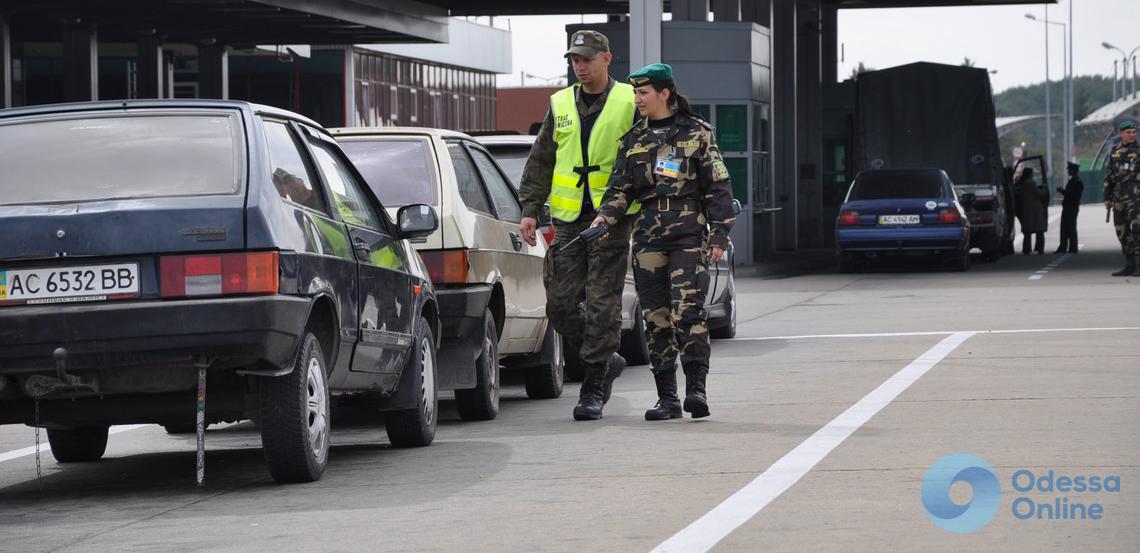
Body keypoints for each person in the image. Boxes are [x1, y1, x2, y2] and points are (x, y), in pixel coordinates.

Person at [592, 63, 736, 421]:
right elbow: (619, 189)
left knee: (688, 312)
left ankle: (697, 390)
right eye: (636, 93)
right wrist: (604, 217)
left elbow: (718, 186)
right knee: (655, 318)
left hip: (688, 235)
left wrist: (719, 233)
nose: (637, 99)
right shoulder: (634, 140)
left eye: (643, 93)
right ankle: (667, 398)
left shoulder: (698, 133)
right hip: (648, 238)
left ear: (664, 94)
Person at [517, 30, 637, 421]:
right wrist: (531, 209)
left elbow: (644, 157)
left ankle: (593, 384)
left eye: (587, 59)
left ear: (607, 58)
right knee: (560, 304)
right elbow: (541, 159)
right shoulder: (561, 103)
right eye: (575, 60)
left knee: (603, 303)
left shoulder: (628, 101)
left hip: (611, 218)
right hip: (568, 220)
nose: (580, 66)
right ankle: (607, 356)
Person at [1104, 118, 1140, 276]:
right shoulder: (1115, 151)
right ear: (1121, 134)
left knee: (1138, 229)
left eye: (1134, 132)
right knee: (1122, 230)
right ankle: (1130, 264)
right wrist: (1107, 197)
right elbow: (1109, 175)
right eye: (1128, 132)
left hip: (1136, 195)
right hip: (1119, 196)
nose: (1132, 135)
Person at [1016, 167, 1048, 254]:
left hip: (1026, 209)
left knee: (1027, 232)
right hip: (1035, 210)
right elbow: (1038, 193)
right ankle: (1040, 249)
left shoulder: (1022, 183)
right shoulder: (1031, 182)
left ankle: (1026, 249)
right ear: (1029, 174)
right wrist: (1044, 189)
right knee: (1040, 231)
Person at [1055, 162, 1083, 254]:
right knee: (1066, 227)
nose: (1068, 171)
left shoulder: (1077, 182)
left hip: (1071, 207)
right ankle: (1064, 247)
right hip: (1069, 207)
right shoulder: (1074, 181)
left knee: (1070, 227)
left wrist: (1062, 191)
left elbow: (1072, 195)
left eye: (1069, 170)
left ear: (1073, 171)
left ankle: (1071, 247)